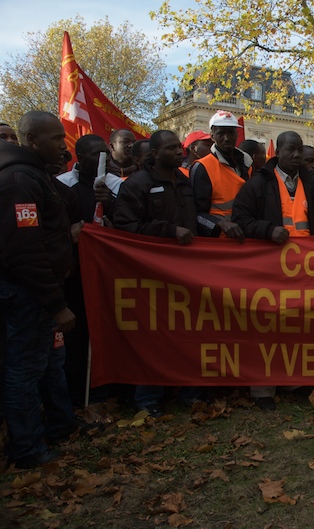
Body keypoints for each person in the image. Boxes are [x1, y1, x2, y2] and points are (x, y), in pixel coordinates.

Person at [0, 111, 78, 468]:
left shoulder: (34, 176)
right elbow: (25, 251)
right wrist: (55, 303)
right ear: (30, 139)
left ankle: (54, 430)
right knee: (24, 371)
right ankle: (27, 449)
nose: (63, 145)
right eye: (55, 138)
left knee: (43, 366)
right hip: (26, 295)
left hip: (36, 293)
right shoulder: (19, 181)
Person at [113, 130, 201, 416]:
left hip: (186, 271)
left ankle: (189, 392)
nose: (180, 152)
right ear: (154, 154)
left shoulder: (184, 183)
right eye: (172, 148)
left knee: (188, 332)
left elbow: (194, 218)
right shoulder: (137, 185)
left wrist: (216, 226)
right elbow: (125, 227)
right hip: (151, 273)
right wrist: (169, 231)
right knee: (153, 337)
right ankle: (148, 400)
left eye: (180, 147)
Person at [232, 131, 314, 411]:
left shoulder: (311, 183)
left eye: (300, 149)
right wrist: (268, 230)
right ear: (277, 151)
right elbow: (240, 219)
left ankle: (293, 380)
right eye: (291, 149)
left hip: (305, 271)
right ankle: (263, 388)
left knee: (298, 327)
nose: (296, 155)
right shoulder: (258, 184)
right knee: (266, 329)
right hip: (268, 270)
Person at [55, 134, 122, 404]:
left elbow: (124, 223)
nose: (103, 159)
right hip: (75, 273)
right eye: (97, 155)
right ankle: (76, 391)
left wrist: (110, 203)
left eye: (105, 153)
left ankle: (104, 389)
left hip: (106, 270)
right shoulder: (63, 186)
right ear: (81, 158)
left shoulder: (114, 185)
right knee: (78, 334)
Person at [190, 110, 250, 240]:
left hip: (246, 237)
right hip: (219, 241)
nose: (227, 138)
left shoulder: (248, 163)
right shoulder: (202, 167)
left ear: (236, 133)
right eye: (221, 133)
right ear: (212, 136)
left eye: (230, 132)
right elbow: (195, 213)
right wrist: (219, 224)